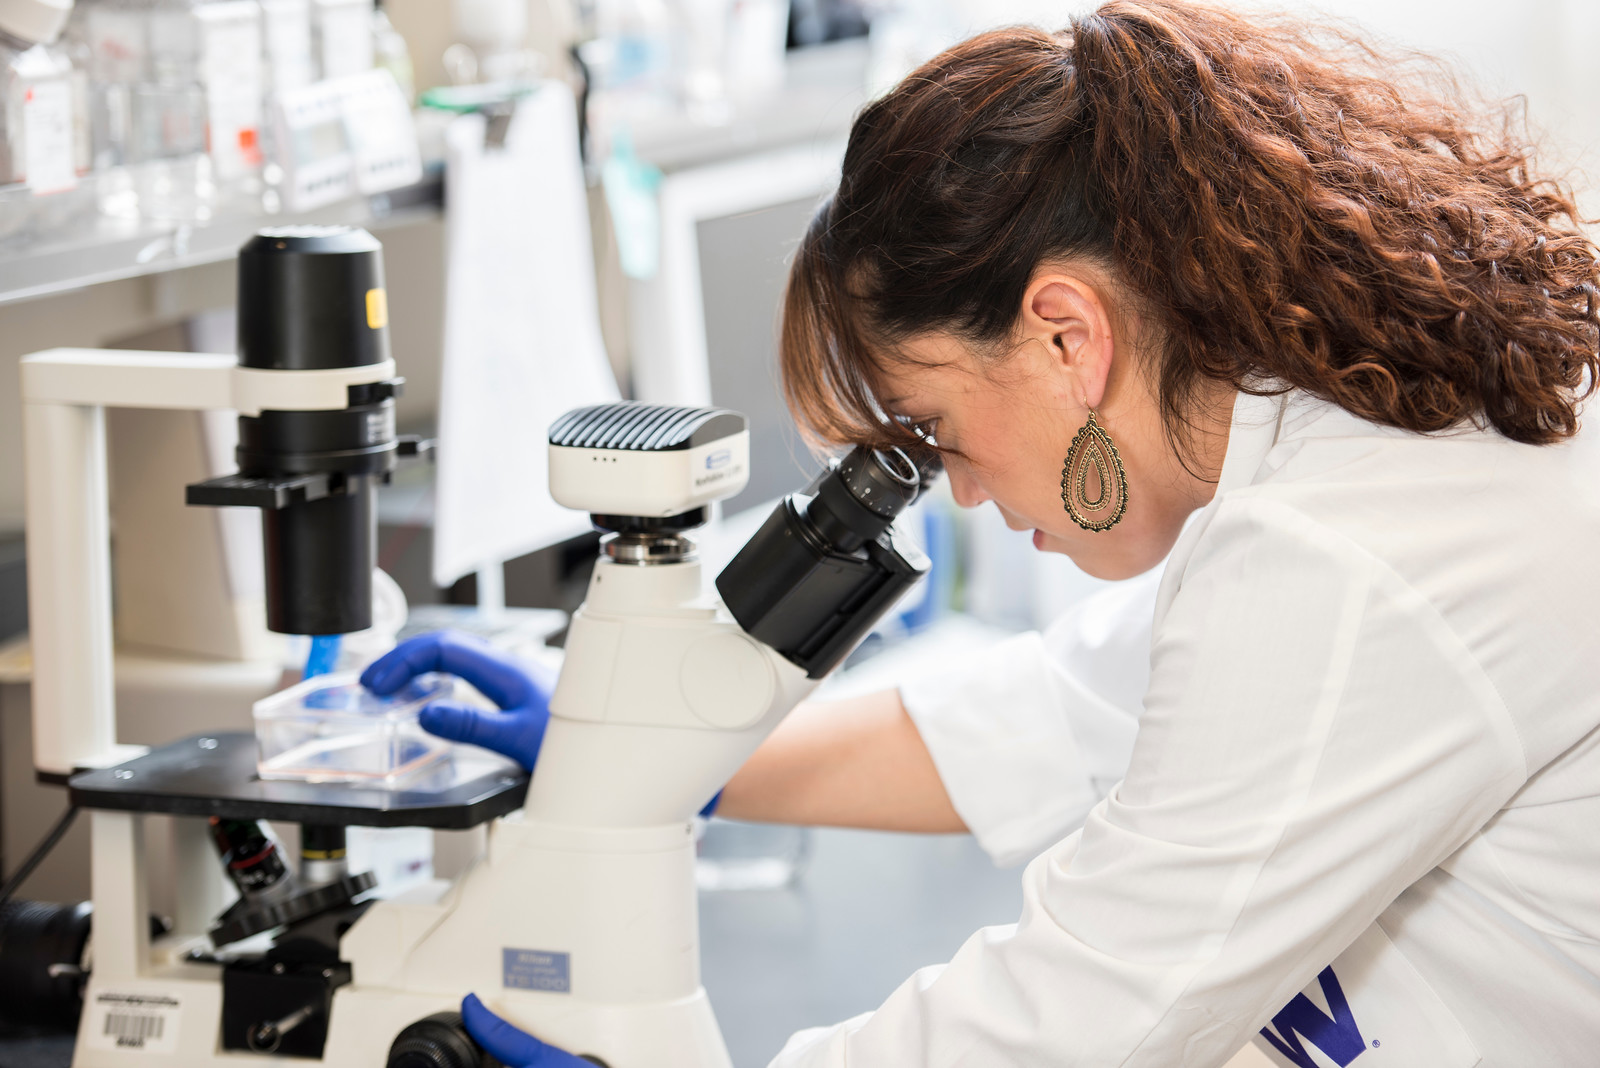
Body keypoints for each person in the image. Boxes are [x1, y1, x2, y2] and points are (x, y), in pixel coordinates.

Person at [365, 1, 1600, 1063]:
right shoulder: (1335, 461)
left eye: (937, 428)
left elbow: (1083, 1014)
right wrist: (662, 765)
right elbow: (1063, 713)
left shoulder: (1344, 563)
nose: (956, 492)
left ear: (1068, 335)